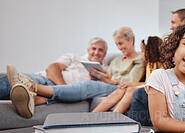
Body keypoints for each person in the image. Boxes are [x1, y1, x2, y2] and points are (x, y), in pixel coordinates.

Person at [9, 26, 145, 118]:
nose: (119, 47)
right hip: (110, 85)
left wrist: (108, 80)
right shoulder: (116, 61)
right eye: (117, 44)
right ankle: (34, 98)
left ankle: (32, 86)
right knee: (89, 85)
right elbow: (109, 77)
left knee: (89, 86)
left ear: (131, 40)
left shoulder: (139, 60)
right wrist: (101, 76)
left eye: (120, 43)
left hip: (118, 87)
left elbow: (130, 81)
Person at [0, 37, 107, 99]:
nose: (96, 53)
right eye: (94, 48)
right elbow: (52, 69)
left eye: (100, 50)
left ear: (105, 53)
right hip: (46, 80)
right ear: (88, 50)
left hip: (56, 94)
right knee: (11, 82)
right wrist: (64, 89)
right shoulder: (74, 57)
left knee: (18, 90)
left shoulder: (106, 72)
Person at [93, 36, 166, 116]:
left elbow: (153, 84)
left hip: (156, 89)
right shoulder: (150, 64)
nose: (141, 54)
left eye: (143, 51)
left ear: (151, 51)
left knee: (131, 90)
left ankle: (113, 116)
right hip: (147, 86)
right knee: (122, 88)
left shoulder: (161, 66)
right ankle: (93, 114)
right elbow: (147, 82)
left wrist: (132, 84)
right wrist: (131, 83)